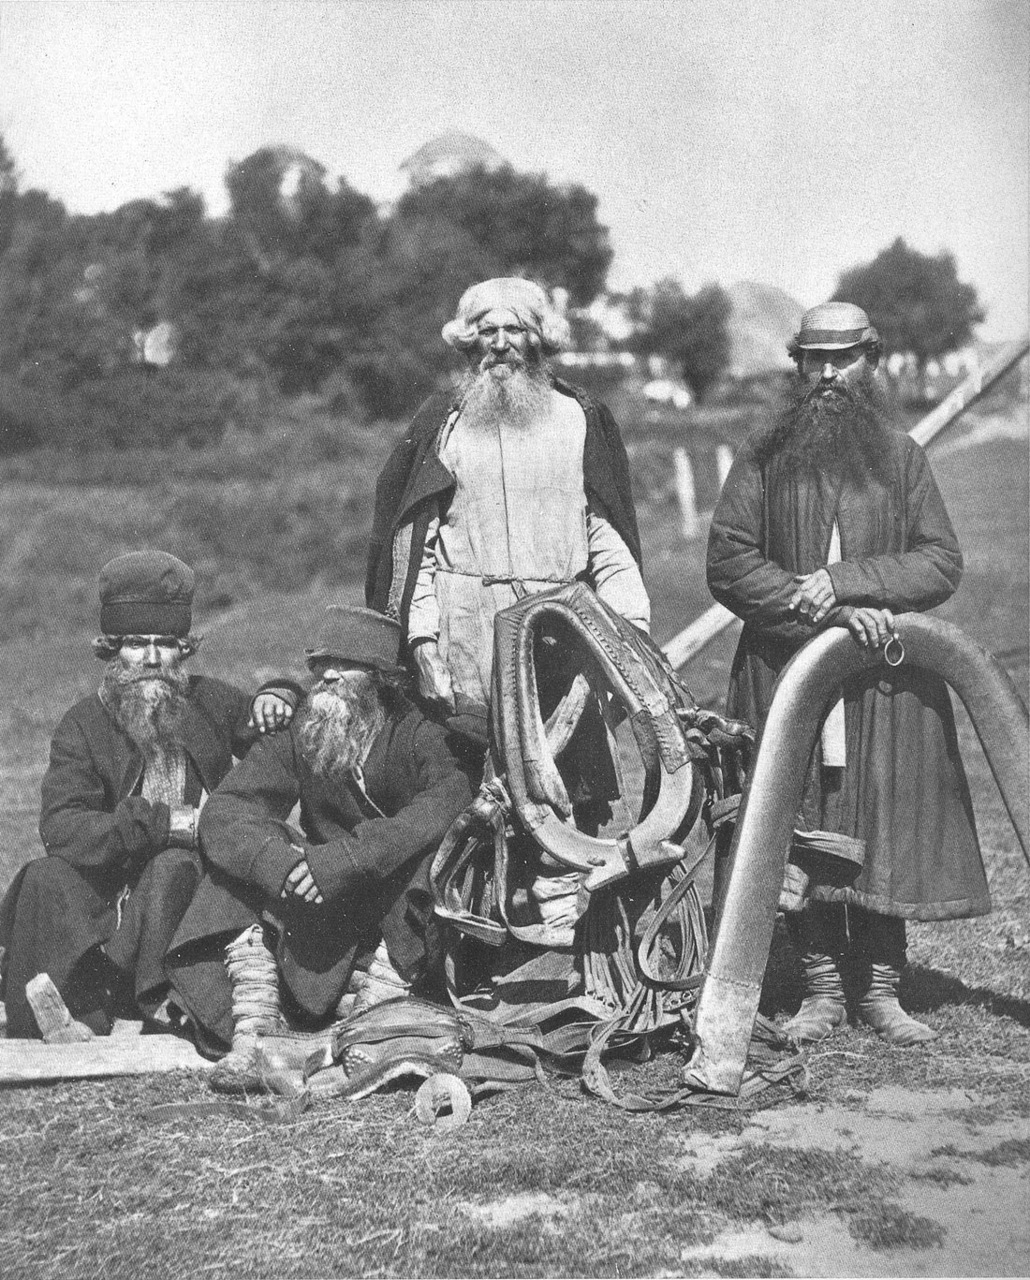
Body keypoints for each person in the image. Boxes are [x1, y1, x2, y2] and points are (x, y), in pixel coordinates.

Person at [706, 301, 987, 1047]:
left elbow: (939, 561)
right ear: (797, 365)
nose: (829, 374)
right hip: (784, 669)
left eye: (845, 359)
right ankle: (822, 987)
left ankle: (881, 989)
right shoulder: (764, 456)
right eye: (815, 359)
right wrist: (827, 616)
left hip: (883, 678)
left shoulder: (901, 457)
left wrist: (855, 580)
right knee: (801, 821)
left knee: (880, 815)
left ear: (872, 360)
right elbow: (729, 561)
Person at [0, 551, 296, 1039]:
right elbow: (62, 826)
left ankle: (163, 1007)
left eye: (166, 643)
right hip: (107, 898)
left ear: (184, 647)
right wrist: (162, 823)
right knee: (43, 878)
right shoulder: (82, 724)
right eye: (137, 644)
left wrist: (280, 695)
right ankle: (66, 1014)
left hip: (187, 890)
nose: (152, 659)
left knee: (171, 867)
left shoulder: (212, 703)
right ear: (113, 648)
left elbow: (280, 740)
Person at [165, 605, 473, 1071]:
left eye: (343, 665)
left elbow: (447, 802)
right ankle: (253, 1031)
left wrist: (349, 858)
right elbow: (227, 810)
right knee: (237, 860)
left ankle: (376, 1023)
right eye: (319, 665)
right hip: (323, 901)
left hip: (392, 909)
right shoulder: (305, 729)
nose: (326, 675)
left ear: (379, 678)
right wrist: (280, 864)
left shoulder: (419, 734)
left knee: (430, 855)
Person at [366, 276, 650, 720]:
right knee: (462, 782)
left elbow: (607, 540)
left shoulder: (580, 419)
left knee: (566, 782)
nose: (500, 344)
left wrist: (630, 633)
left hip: (557, 639)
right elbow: (413, 552)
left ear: (537, 339)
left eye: (514, 330)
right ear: (468, 343)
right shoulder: (443, 424)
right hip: (462, 646)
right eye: (486, 332)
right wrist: (422, 646)